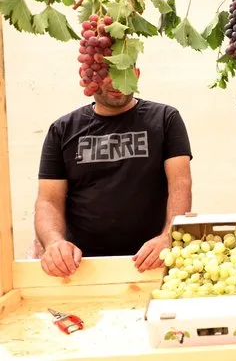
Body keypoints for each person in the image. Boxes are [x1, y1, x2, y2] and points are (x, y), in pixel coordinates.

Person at [35, 71, 193, 277]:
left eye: (123, 72)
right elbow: (48, 201)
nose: (116, 82)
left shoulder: (165, 119)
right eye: (106, 74)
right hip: (82, 267)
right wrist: (53, 242)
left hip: (152, 262)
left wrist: (168, 236)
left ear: (136, 74)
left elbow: (180, 185)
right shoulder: (63, 129)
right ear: (86, 75)